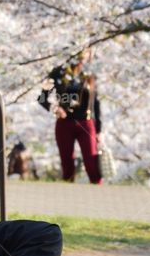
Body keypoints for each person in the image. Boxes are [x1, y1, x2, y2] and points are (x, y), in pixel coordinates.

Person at [39, 49, 103, 184]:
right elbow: (42, 97)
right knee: (67, 162)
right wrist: (55, 108)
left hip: (86, 122)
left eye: (84, 54)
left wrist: (98, 130)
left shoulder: (89, 74)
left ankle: (98, 190)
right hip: (64, 123)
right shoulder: (57, 73)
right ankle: (68, 192)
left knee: (92, 161)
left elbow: (96, 102)